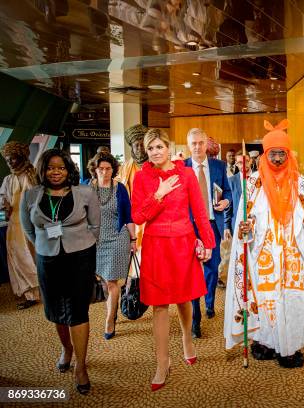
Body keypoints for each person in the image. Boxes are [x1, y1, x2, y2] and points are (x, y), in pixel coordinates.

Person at [224, 119, 304, 368]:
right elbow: (243, 227)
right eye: (273, 153)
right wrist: (245, 230)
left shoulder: (300, 184)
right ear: (265, 154)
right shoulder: (253, 184)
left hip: (294, 260)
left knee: (292, 301)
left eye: (282, 153)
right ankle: (266, 342)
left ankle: (289, 348)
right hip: (263, 259)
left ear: (288, 154)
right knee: (265, 299)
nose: (278, 159)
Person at [131, 128, 215, 391]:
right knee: (159, 305)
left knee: (185, 297)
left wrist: (209, 242)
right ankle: (162, 362)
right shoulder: (143, 177)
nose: (155, 152)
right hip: (156, 246)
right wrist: (159, 193)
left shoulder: (186, 173)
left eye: (159, 147)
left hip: (183, 243)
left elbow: (200, 212)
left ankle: (187, 340)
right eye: (151, 149)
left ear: (169, 147)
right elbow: (137, 216)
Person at [20, 149, 100, 395]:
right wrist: (45, 245)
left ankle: (81, 365)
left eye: (61, 167)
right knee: (56, 310)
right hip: (48, 260)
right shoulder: (31, 195)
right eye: (50, 167)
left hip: (80, 257)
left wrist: (81, 243)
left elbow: (95, 226)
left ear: (69, 169)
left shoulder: (85, 192)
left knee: (77, 310)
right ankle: (66, 350)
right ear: (42, 170)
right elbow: (28, 230)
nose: (56, 172)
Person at [184, 128, 232, 338]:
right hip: (189, 227)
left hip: (212, 225)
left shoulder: (219, 166)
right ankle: (195, 319)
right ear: (189, 145)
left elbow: (228, 191)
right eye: (193, 143)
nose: (197, 147)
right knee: (193, 271)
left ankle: (210, 302)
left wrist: (226, 201)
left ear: (206, 144)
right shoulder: (182, 168)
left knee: (212, 268)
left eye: (200, 143)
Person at [87, 152, 137, 340]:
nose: (105, 172)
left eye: (108, 169)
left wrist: (133, 240)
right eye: (101, 169)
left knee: (111, 281)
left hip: (117, 238)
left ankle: (110, 320)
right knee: (103, 280)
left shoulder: (120, 188)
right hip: (96, 240)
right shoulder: (87, 188)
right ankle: (113, 308)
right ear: (95, 169)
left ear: (113, 170)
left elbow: (128, 216)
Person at [0, 142, 40, 309]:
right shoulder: (8, 180)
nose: (11, 163)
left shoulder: (32, 177)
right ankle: (29, 293)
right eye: (8, 160)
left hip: (32, 224)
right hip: (14, 226)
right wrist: (4, 207)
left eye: (13, 159)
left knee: (32, 257)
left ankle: (38, 291)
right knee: (18, 259)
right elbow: (4, 201)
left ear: (22, 158)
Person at [118, 124, 148, 257]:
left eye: (142, 145)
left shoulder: (156, 166)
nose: (140, 149)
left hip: (151, 219)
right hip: (133, 219)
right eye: (137, 145)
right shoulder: (124, 168)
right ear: (132, 147)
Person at [226, 153, 252, 236]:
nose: (244, 164)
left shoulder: (259, 178)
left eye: (246, 161)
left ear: (251, 161)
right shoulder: (231, 181)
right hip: (237, 224)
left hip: (255, 224)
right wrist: (226, 226)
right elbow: (228, 206)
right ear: (236, 164)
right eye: (240, 162)